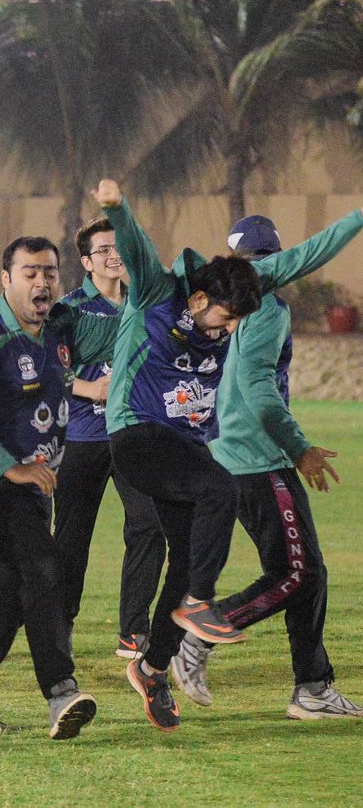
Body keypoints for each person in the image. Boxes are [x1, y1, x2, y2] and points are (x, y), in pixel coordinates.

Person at [95, 178, 362, 731]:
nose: (232, 329)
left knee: (187, 556)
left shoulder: (245, 288)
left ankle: (153, 665)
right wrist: (117, 208)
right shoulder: (157, 292)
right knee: (229, 502)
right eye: (226, 319)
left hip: (187, 447)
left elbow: (311, 252)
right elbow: (139, 247)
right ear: (199, 299)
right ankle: (202, 608)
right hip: (138, 434)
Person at [168, 212, 363, 719]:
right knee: (297, 572)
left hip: (229, 452)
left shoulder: (219, 303)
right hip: (256, 457)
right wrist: (299, 447)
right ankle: (201, 632)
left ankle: (313, 687)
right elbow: (257, 389)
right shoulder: (267, 308)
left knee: (308, 572)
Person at [0, 236, 117, 741]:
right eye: (30, 272)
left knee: (8, 598)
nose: (42, 282)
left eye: (50, 272)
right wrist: (8, 466)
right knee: (44, 567)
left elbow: (121, 332)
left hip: (32, 487)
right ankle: (61, 691)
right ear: (6, 279)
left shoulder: (60, 328)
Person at [52, 218, 164, 659]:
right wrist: (89, 388)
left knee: (149, 525)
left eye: (118, 247)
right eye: (103, 250)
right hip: (82, 438)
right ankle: (59, 628)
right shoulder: (68, 310)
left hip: (133, 434)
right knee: (71, 539)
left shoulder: (145, 301)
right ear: (86, 262)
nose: (113, 255)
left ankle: (134, 631)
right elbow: (44, 369)